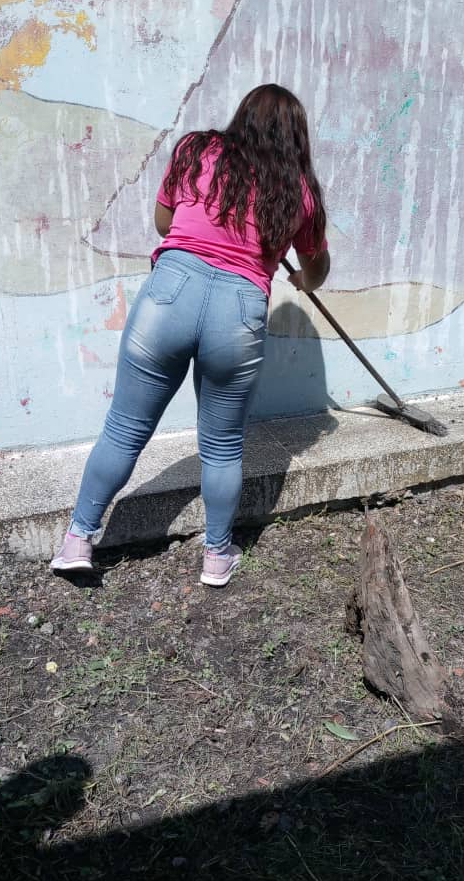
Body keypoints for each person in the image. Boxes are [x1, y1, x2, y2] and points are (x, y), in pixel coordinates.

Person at [51, 84, 329, 585]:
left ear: (242, 117)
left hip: (171, 293)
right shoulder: (299, 193)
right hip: (239, 311)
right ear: (297, 138)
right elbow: (315, 271)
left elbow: (166, 222)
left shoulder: (197, 150)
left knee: (124, 430)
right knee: (222, 446)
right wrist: (301, 279)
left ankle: (77, 542)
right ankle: (217, 556)